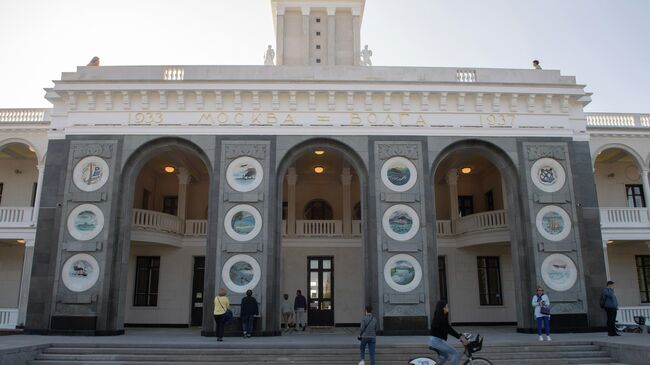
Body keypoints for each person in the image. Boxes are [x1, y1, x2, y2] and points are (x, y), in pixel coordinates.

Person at [429, 300, 468, 365]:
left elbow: (448, 328)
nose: (448, 308)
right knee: (455, 353)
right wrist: (460, 337)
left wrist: (460, 335)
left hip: (435, 340)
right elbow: (449, 330)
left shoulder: (442, 316)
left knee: (445, 356)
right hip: (436, 341)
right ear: (443, 308)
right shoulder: (440, 318)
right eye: (447, 306)